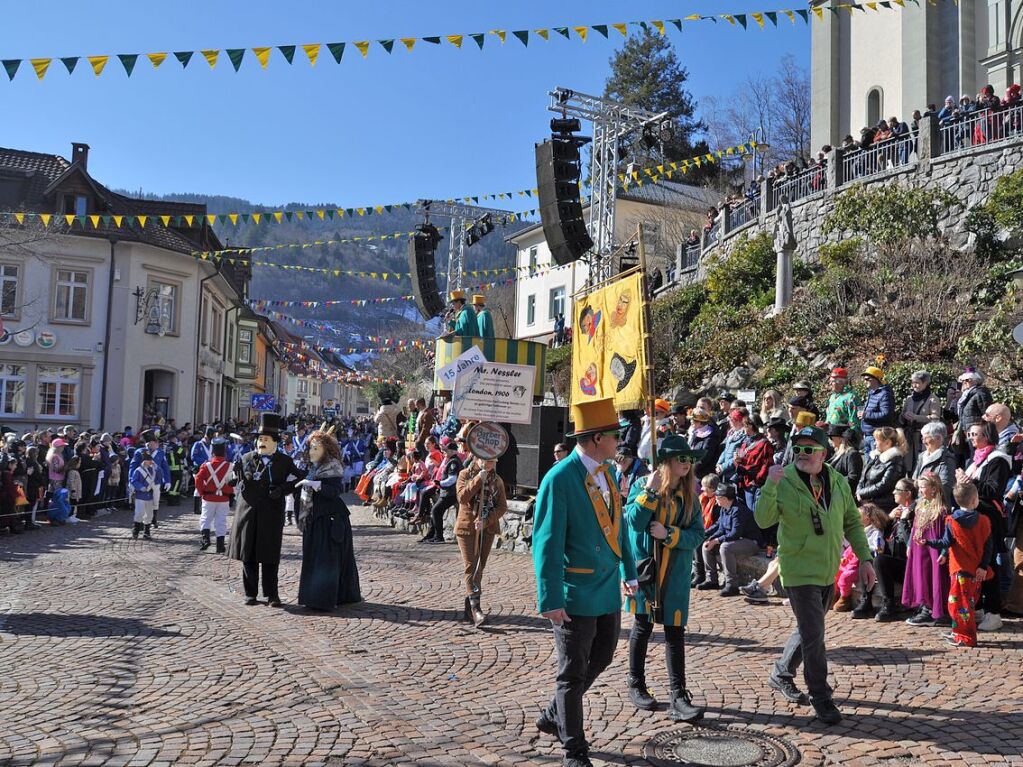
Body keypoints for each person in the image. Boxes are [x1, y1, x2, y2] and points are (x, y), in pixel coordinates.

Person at [532, 397, 638, 767]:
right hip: (575, 593)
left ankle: (553, 714)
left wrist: (629, 570)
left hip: (607, 587)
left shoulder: (608, 472)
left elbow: (618, 526)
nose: (619, 441)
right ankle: (574, 751)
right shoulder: (558, 479)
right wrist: (550, 597)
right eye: (614, 435)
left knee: (604, 656)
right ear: (596, 439)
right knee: (572, 672)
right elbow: (545, 541)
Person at [755, 426, 875, 725]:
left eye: (810, 449)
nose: (802, 455)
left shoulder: (837, 481)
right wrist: (770, 484)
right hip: (797, 570)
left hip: (827, 569)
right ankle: (821, 696)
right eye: (798, 449)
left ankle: (781, 672)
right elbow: (762, 518)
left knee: (810, 629)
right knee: (814, 635)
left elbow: (852, 522)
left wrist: (865, 558)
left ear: (824, 453)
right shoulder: (783, 480)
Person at [623, 435, 706, 723]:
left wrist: (669, 535)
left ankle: (678, 695)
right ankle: (636, 683)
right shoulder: (640, 486)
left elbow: (698, 535)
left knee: (674, 631)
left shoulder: (691, 498)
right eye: (681, 458)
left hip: (675, 574)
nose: (687, 463)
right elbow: (632, 521)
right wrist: (650, 492)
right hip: (647, 571)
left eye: (690, 459)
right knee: (642, 625)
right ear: (666, 462)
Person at [229, 414, 306, 607]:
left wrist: (283, 489)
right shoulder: (246, 458)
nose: (261, 442)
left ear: (275, 442)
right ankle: (250, 593)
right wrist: (235, 474)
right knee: (249, 553)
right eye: (259, 439)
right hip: (247, 513)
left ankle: (272, 594)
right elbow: (234, 482)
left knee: (270, 554)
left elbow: (301, 478)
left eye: (266, 439)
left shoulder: (284, 461)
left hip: (272, 513)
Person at [296, 430, 362, 610]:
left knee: (327, 559)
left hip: (330, 518)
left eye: (316, 448)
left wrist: (315, 485)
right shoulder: (314, 466)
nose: (312, 451)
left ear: (326, 449)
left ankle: (324, 598)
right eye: (311, 447)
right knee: (315, 558)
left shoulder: (333, 466)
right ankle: (312, 596)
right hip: (314, 517)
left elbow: (334, 492)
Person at [955, 421, 1011, 632]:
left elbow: (992, 490)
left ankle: (993, 612)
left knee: (989, 566)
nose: (971, 438)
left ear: (987, 437)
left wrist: (968, 482)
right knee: (975, 564)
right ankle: (978, 606)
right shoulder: (975, 460)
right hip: (974, 520)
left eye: (975, 434)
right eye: (969, 434)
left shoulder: (998, 460)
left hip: (988, 521)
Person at [925, 482, 992, 648]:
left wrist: (928, 542)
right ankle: (958, 633)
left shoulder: (952, 521)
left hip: (960, 569)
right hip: (976, 570)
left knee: (958, 605)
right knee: (967, 603)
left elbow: (946, 542)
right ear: (975, 500)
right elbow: (989, 546)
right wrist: (983, 566)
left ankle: (966, 637)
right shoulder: (984, 520)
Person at [455, 454, 508, 626]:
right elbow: (462, 497)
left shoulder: (497, 480)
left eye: (493, 461)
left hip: (487, 528)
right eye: (487, 461)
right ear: (477, 460)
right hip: (467, 528)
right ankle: (476, 608)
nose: (490, 464)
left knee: (480, 566)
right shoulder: (465, 474)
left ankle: (469, 605)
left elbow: (502, 506)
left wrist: (487, 520)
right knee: (472, 565)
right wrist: (479, 478)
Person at [903, 472, 952, 627]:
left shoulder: (942, 510)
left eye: (923, 487)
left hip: (934, 550)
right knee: (921, 576)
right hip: (919, 549)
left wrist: (944, 551)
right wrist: (910, 544)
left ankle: (934, 609)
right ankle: (925, 606)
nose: (920, 490)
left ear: (933, 488)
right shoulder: (920, 507)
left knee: (934, 577)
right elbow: (914, 529)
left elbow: (947, 534)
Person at [699, 483, 761, 596]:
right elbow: (720, 528)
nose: (716, 500)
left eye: (717, 498)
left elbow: (735, 533)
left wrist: (716, 541)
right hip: (735, 541)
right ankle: (711, 580)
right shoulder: (724, 509)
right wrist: (709, 537)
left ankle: (732, 585)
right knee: (706, 545)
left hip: (751, 542)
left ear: (724, 498)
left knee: (725, 547)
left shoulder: (738, 510)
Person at [871, 478, 913, 621]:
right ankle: (865, 601)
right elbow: (882, 531)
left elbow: (909, 541)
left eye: (897, 490)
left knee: (880, 561)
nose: (893, 492)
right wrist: (889, 518)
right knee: (869, 557)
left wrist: (903, 521)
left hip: (909, 564)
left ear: (907, 494)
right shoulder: (897, 511)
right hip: (894, 556)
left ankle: (889, 605)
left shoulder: (913, 512)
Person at [194, 437, 234, 554]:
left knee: (205, 519)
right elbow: (234, 483)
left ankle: (205, 540)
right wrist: (231, 493)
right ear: (225, 452)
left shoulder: (206, 466)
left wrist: (202, 493)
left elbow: (198, 479)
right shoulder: (230, 466)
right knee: (221, 521)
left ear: (212, 452)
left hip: (208, 497)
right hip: (224, 498)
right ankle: (220, 546)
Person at [856, 427, 907, 513]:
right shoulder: (875, 457)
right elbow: (863, 477)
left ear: (887, 443)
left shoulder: (895, 461)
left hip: (883, 507)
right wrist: (859, 492)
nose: (875, 443)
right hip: (868, 502)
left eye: (877, 440)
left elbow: (884, 485)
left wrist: (862, 493)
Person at [901, 371, 942, 472]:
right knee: (908, 465)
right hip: (909, 436)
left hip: (924, 438)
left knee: (921, 464)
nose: (914, 385)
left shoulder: (933, 399)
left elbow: (936, 418)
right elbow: (901, 416)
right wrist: (904, 416)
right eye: (913, 382)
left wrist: (916, 417)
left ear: (925, 383)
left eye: (917, 382)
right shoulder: (909, 399)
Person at [424, 439, 463, 544]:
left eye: (447, 450)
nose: (444, 452)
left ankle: (439, 537)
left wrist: (440, 483)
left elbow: (452, 479)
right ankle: (434, 535)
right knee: (436, 511)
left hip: (450, 493)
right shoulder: (452, 460)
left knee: (435, 511)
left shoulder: (454, 462)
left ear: (453, 451)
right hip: (447, 492)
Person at [913, 422, 957, 507]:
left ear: (938, 438)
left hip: (935, 506)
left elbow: (944, 486)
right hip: (920, 504)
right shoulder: (922, 456)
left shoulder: (946, 458)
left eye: (926, 438)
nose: (923, 441)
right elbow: (914, 480)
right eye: (922, 438)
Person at [860, 366, 896, 454]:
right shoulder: (872, 393)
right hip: (868, 435)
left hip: (878, 437)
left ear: (876, 379)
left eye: (867, 379)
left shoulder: (885, 395)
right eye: (864, 379)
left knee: (877, 464)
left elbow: (886, 414)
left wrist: (866, 415)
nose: (865, 381)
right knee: (869, 466)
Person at [130, 451, 158, 540]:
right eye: (149, 461)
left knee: (149, 514)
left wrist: (156, 468)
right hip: (141, 496)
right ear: (145, 461)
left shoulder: (152, 470)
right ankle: (136, 530)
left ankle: (147, 532)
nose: (151, 462)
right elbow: (134, 481)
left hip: (149, 496)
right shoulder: (138, 470)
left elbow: (159, 477)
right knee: (139, 513)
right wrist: (141, 487)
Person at [827, 426, 863, 493]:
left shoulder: (852, 454)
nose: (830, 440)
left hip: (843, 494)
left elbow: (853, 477)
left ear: (840, 438)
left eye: (831, 438)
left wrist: (832, 481)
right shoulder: (838, 453)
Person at [190, 427, 216, 515]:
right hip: (199, 469)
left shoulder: (212, 445)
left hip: (210, 469)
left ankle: (206, 506)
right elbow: (193, 456)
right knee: (198, 487)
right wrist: (205, 462)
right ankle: (196, 508)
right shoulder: (198, 444)